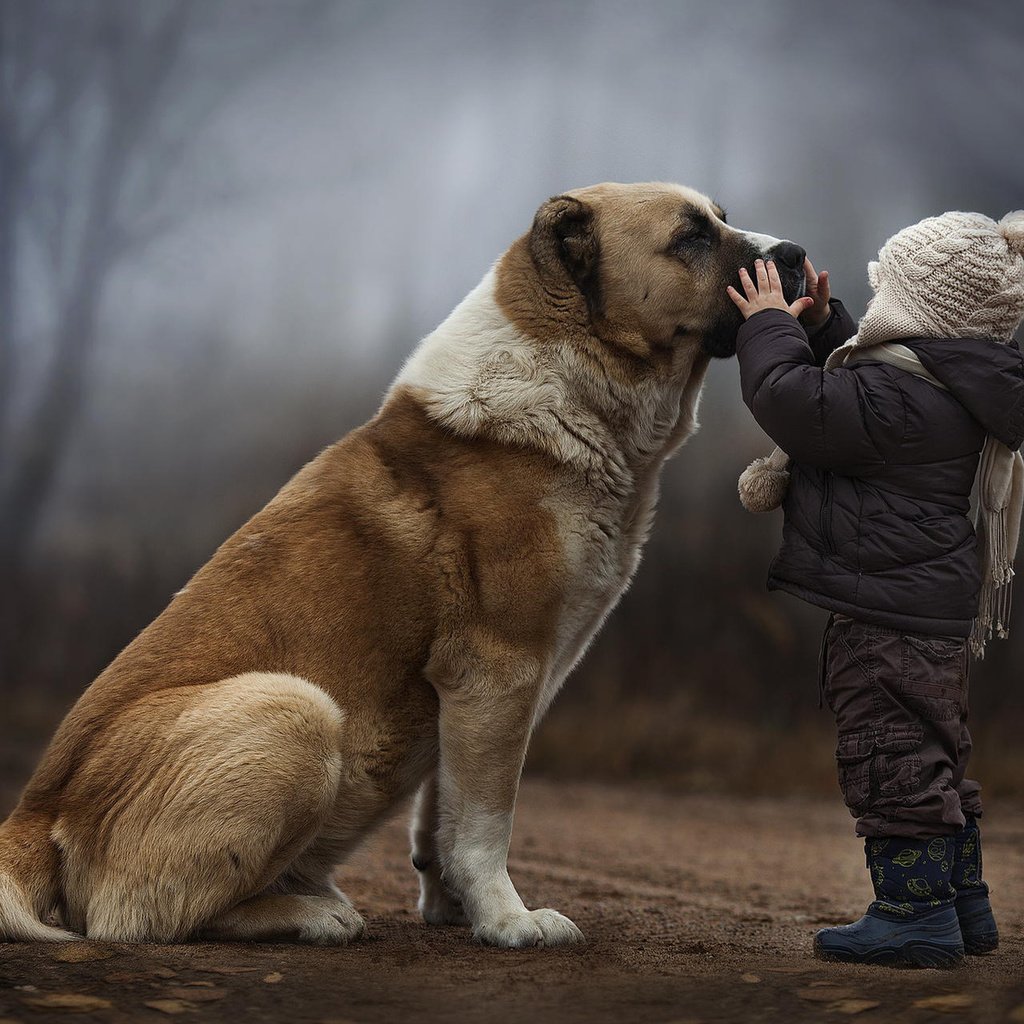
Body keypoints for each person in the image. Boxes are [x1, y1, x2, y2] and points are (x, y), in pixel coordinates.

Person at [726, 211, 1024, 967]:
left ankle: (911, 919)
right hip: (923, 608)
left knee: (890, 756)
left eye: (887, 287)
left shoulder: (902, 403)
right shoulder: (945, 386)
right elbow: (858, 398)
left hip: (883, 613)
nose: (878, 299)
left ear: (920, 308)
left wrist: (769, 327)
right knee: (935, 753)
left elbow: (795, 401)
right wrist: (828, 327)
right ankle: (961, 907)